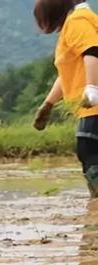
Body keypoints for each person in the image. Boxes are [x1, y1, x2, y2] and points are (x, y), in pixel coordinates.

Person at [33, 0, 98, 198]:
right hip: (88, 104)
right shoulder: (78, 21)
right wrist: (48, 104)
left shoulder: (78, 21)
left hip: (92, 104)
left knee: (88, 148)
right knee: (89, 152)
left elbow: (92, 51)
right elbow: (67, 72)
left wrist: (92, 88)